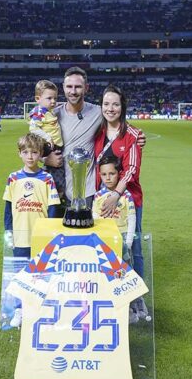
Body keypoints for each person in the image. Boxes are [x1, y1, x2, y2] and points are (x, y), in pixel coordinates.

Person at [44, 67, 146, 212]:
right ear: (63, 88)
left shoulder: (98, 112)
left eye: (78, 87)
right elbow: (31, 147)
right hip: (57, 188)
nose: (73, 91)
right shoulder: (52, 116)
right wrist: (45, 159)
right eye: (69, 86)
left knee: (87, 232)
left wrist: (138, 137)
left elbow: (117, 120)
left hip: (88, 191)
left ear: (86, 88)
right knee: (56, 233)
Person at [3, 133, 60, 327]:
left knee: (42, 274)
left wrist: (49, 232)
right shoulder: (13, 178)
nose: (30, 156)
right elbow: (8, 207)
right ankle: (20, 310)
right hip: (20, 236)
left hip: (40, 237)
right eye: (25, 152)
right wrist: (8, 230)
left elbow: (53, 208)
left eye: (34, 152)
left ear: (41, 154)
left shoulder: (47, 178)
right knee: (21, 275)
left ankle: (42, 308)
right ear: (19, 154)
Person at [93, 84, 145, 277]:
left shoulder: (132, 135)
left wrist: (116, 194)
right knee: (105, 244)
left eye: (115, 104)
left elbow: (132, 169)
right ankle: (109, 286)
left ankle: (137, 297)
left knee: (132, 246)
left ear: (122, 107)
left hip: (128, 200)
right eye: (106, 104)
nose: (110, 108)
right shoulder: (97, 133)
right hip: (102, 200)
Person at [29, 79, 65, 201]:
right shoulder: (39, 112)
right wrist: (48, 137)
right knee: (57, 178)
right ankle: (56, 200)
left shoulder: (49, 112)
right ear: (38, 99)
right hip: (51, 148)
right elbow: (33, 128)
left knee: (57, 175)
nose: (53, 101)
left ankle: (56, 197)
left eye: (55, 98)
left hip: (56, 147)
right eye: (49, 98)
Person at [92, 155, 136, 255]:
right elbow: (95, 218)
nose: (108, 178)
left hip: (122, 238)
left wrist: (128, 243)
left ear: (119, 174)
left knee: (124, 268)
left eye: (111, 174)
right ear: (99, 174)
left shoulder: (127, 196)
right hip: (103, 237)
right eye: (104, 174)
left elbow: (131, 220)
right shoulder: (98, 196)